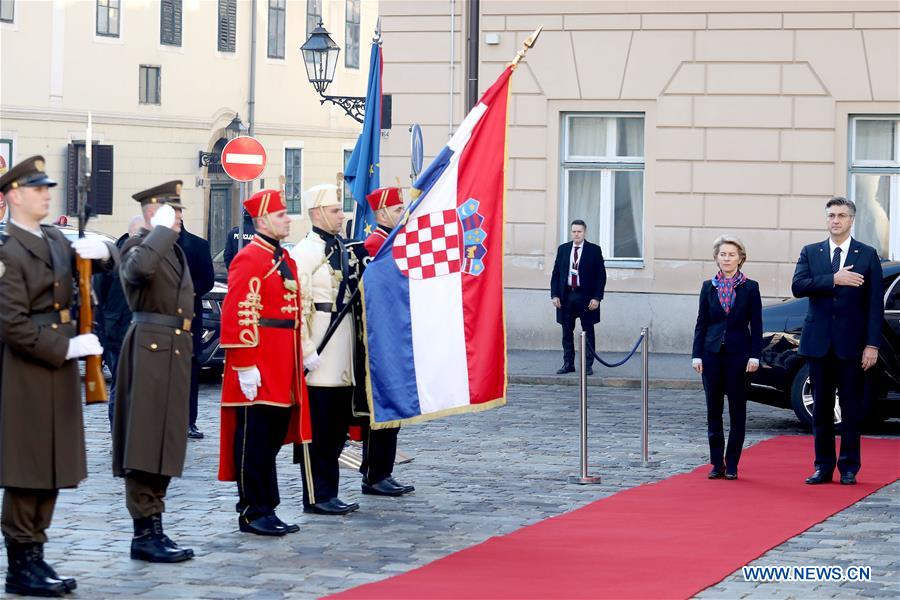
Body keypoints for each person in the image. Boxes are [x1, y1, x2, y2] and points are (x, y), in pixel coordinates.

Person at [0, 156, 117, 596]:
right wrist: (65, 346)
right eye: (36, 189)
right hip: (28, 371)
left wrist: (106, 251)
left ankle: (38, 553)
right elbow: (10, 323)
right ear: (13, 196)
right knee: (25, 468)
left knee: (52, 465)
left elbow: (105, 263)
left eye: (48, 188)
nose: (46, 194)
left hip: (59, 371)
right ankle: (21, 562)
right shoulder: (8, 252)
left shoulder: (52, 238)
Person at [218, 189, 311, 536]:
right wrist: (244, 364)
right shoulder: (250, 258)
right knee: (253, 440)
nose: (288, 218)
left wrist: (302, 350)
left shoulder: (281, 256)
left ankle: (266, 506)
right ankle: (252, 511)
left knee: (271, 438)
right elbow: (238, 313)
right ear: (262, 221)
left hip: (282, 358)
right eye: (281, 213)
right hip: (259, 360)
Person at [112, 180, 195, 562]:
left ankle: (156, 526)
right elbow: (138, 270)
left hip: (174, 351)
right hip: (149, 349)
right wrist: (158, 230)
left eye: (177, 212)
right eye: (172, 210)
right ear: (153, 211)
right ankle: (143, 531)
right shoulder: (138, 246)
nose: (179, 217)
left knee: (166, 441)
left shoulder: (172, 250)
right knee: (144, 442)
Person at [792, 197, 883, 486]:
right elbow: (798, 286)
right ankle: (823, 466)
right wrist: (834, 279)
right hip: (818, 343)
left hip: (852, 345)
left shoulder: (867, 254)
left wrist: (872, 344)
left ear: (851, 220)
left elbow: (874, 306)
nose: (835, 220)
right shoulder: (811, 252)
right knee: (820, 408)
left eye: (842, 215)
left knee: (851, 408)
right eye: (831, 215)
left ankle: (849, 467)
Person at [289, 183, 365, 515]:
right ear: (318, 214)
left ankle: (329, 492)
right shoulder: (304, 252)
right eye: (335, 210)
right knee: (317, 429)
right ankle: (316, 495)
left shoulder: (342, 248)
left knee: (336, 429)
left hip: (343, 348)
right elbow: (298, 304)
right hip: (320, 344)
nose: (342, 214)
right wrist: (306, 349)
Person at [358, 186, 415, 496]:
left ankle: (383, 471)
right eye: (396, 210)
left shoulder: (392, 242)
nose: (401, 214)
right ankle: (375, 473)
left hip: (395, 333)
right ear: (380, 214)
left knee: (394, 407)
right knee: (384, 407)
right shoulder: (375, 245)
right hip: (382, 337)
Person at [691, 235, 762, 480]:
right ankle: (716, 463)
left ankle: (732, 464)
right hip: (711, 356)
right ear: (716, 258)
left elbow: (757, 324)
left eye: (732, 254)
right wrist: (696, 355)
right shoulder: (707, 287)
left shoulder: (750, 287)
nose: (727, 258)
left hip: (739, 357)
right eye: (723, 254)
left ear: (740, 258)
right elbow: (702, 323)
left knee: (737, 411)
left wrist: (755, 356)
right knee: (713, 411)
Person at [95, 215, 143, 428]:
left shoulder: (152, 257)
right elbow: (97, 298)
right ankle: (119, 433)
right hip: (117, 333)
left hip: (144, 332)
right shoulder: (111, 258)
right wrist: (101, 337)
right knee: (120, 385)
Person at [175, 207, 215, 440]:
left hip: (190, 316)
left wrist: (185, 292)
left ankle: (189, 421)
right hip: (160, 319)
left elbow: (207, 281)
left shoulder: (198, 245)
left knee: (190, 372)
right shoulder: (153, 244)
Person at [550, 219, 607, 376]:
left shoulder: (594, 250)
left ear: (584, 232)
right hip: (566, 295)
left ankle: (588, 364)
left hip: (586, 296)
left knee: (588, 330)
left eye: (579, 231)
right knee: (566, 331)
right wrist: (554, 295)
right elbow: (556, 274)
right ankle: (568, 363)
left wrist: (597, 298)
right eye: (574, 231)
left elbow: (601, 276)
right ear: (571, 232)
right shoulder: (563, 249)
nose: (576, 234)